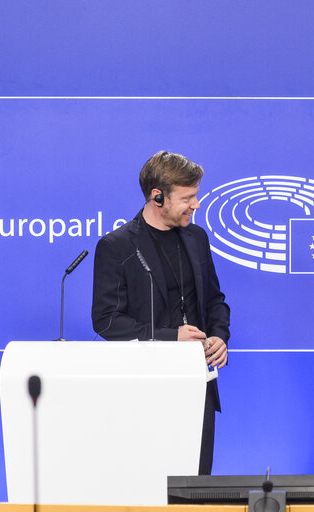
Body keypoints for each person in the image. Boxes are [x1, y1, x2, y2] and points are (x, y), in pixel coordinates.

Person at [92, 150, 230, 474]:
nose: (196, 205)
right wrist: (171, 338)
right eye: (188, 198)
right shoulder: (117, 246)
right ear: (157, 197)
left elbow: (215, 301)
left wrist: (220, 336)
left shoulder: (197, 238)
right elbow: (106, 319)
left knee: (196, 488)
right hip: (145, 390)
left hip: (199, 384)